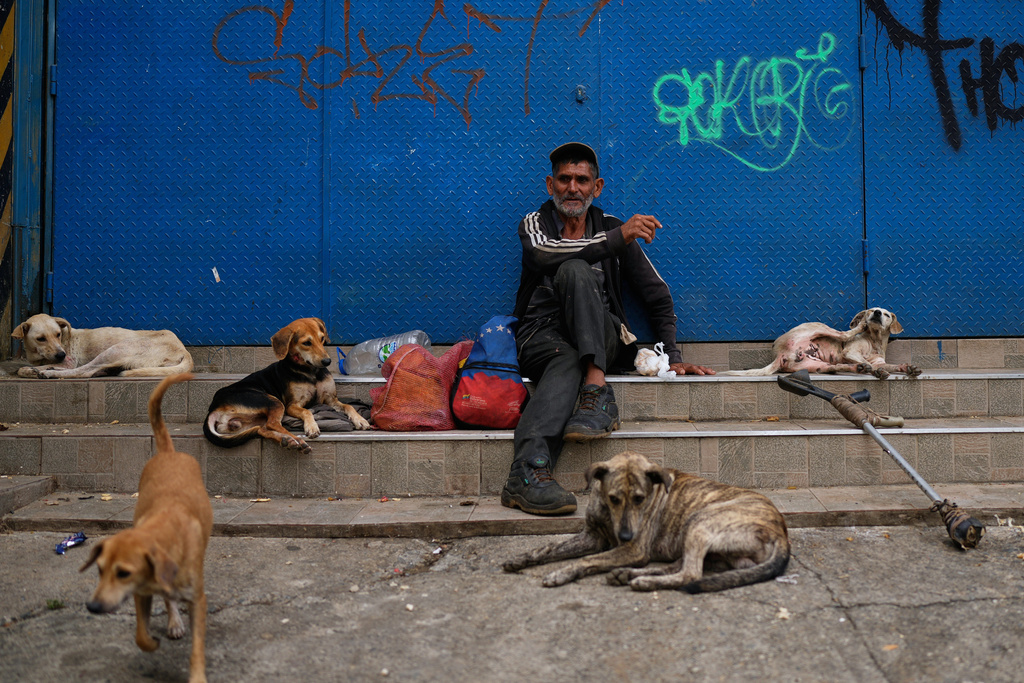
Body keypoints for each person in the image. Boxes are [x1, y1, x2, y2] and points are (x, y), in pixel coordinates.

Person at [501, 142, 715, 516]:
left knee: (576, 276)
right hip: (543, 337)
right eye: (564, 179)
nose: (572, 188)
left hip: (604, 337)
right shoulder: (534, 223)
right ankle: (528, 474)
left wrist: (673, 355)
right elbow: (541, 255)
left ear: (596, 187)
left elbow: (658, 297)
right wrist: (617, 240)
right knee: (567, 328)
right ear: (550, 184)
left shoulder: (612, 227)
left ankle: (595, 388)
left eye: (581, 180)